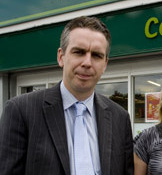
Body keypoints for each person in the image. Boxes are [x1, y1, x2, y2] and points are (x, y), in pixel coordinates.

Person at [0, 16, 134, 175]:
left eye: (97, 55)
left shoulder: (120, 118)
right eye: (79, 52)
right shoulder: (21, 111)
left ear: (105, 64)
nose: (87, 63)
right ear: (61, 57)